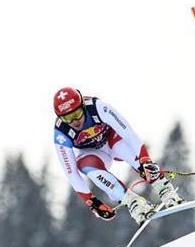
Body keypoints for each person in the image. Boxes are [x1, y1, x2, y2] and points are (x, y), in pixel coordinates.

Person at [53, 87, 183, 225]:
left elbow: (130, 135)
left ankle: (164, 188)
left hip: (112, 140)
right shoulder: (61, 132)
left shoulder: (98, 107)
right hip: (92, 153)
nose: (74, 121)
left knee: (128, 151)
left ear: (83, 106)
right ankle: (133, 203)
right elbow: (71, 173)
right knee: (84, 167)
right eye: (67, 118)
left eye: (77, 114)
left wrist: (145, 159)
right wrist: (92, 202)